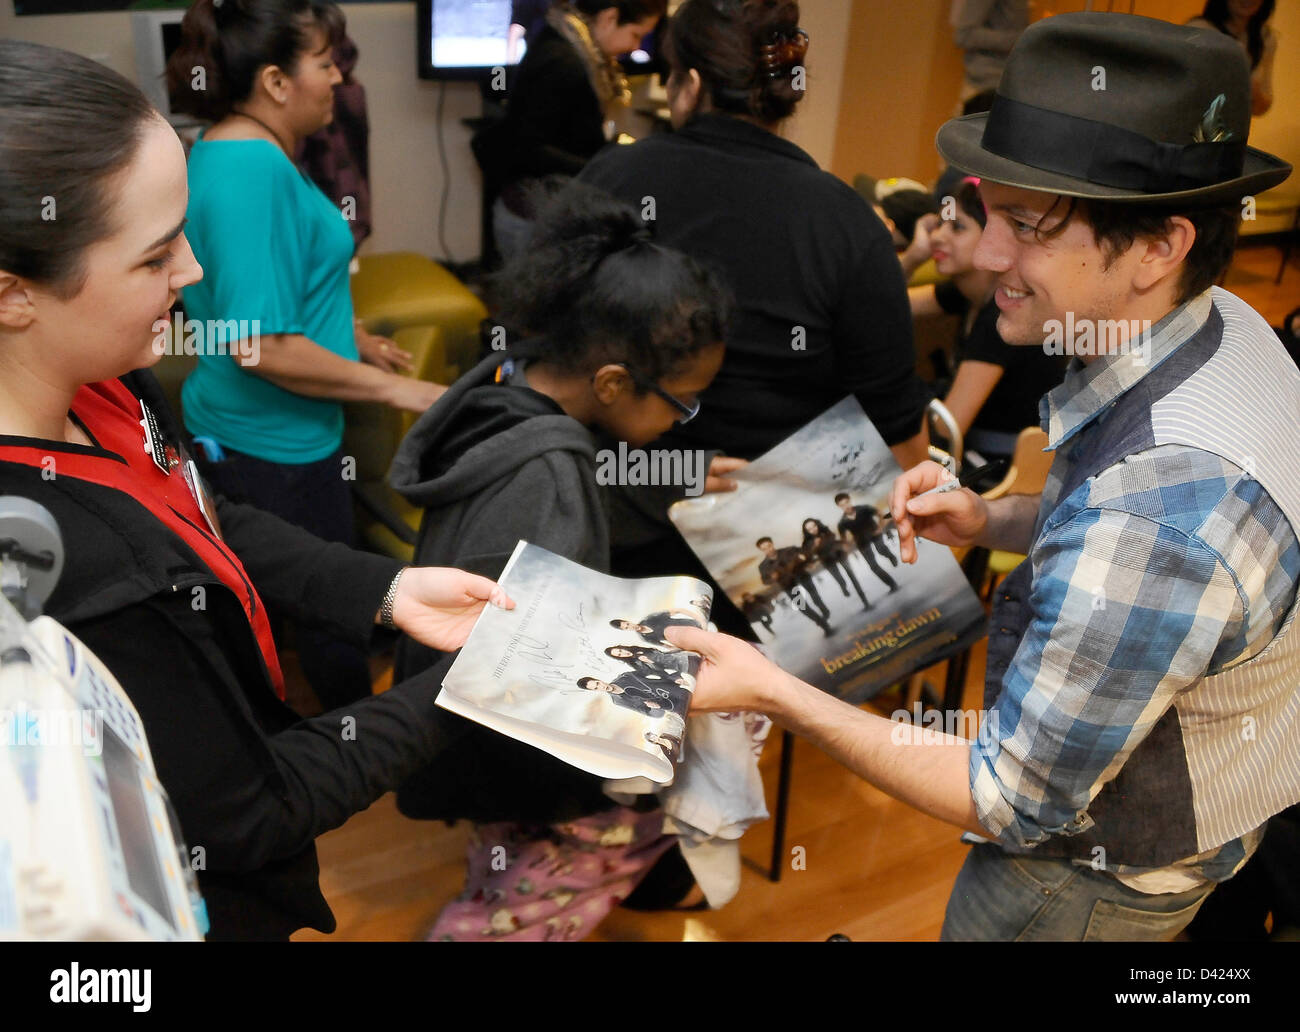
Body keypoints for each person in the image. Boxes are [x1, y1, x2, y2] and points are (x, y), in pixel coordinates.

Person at [663, 13, 1300, 942]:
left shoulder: (1162, 519)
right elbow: (1139, 537)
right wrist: (995, 518)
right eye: (987, 209)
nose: (990, 253)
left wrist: (770, 688)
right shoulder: (1228, 325)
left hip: (1081, 888)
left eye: (1030, 226)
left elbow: (1009, 795)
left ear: (1160, 246)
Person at [0, 39, 513, 941]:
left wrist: (386, 589)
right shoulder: (62, 570)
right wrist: (475, 685)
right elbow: (252, 812)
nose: (194, 274)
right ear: (13, 293)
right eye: (156, 257)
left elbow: (203, 514)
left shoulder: (108, 381)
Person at [386, 182, 730, 939]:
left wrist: (683, 475)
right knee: (551, 890)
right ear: (612, 382)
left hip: (474, 744)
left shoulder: (505, 394)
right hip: (519, 758)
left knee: (508, 862)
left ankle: (497, 886)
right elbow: (538, 677)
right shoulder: (548, 479)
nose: (681, 425)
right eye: (680, 405)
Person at [579, 0, 931, 637]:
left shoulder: (612, 178)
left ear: (687, 84)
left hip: (612, 523)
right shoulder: (846, 223)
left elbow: (547, 350)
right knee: (730, 726)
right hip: (771, 575)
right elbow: (897, 426)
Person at [165, 0, 443, 709]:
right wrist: (396, 393)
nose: (338, 78)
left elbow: (265, 292)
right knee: (331, 605)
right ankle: (361, 732)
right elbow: (257, 344)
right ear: (276, 82)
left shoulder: (240, 151)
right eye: (325, 63)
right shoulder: (248, 172)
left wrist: (348, 338)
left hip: (280, 430)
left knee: (326, 586)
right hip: (269, 442)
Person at [489, 0, 666, 258]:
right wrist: (608, 164)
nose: (635, 46)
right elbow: (530, 149)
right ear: (609, 18)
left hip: (538, 214)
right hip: (535, 223)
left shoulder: (565, 44)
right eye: (636, 35)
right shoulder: (563, 61)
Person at [909, 177, 1067, 461]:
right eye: (939, 224)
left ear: (990, 238)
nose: (937, 237)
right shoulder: (965, 292)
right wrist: (913, 257)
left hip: (1003, 471)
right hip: (975, 455)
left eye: (956, 227)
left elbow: (947, 428)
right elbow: (881, 303)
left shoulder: (1003, 314)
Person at [1188, 0, 1277, 117]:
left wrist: (1250, 85)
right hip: (1190, 121)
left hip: (1231, 127)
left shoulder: (1265, 38)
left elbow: (1262, 106)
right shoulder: (1199, 29)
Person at [756, 537, 832, 636]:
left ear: (772, 544)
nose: (768, 549)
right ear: (762, 550)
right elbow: (765, 581)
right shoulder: (763, 566)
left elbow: (806, 554)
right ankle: (823, 625)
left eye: (769, 546)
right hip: (788, 585)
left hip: (802, 576)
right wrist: (772, 578)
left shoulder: (789, 550)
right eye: (764, 548)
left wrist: (806, 560)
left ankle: (824, 610)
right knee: (802, 607)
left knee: (816, 597)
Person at [834, 492, 899, 594]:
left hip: (874, 534)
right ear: (839, 507)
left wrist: (881, 527)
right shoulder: (842, 522)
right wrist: (847, 548)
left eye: (846, 502)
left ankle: (890, 556)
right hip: (862, 542)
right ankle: (892, 584)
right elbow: (844, 539)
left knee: (881, 549)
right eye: (842, 505)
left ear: (850, 500)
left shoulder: (864, 508)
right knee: (873, 566)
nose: (845, 506)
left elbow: (880, 514)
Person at [801, 517, 870, 609]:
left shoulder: (825, 531)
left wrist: (844, 546)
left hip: (839, 554)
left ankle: (864, 600)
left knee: (852, 576)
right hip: (827, 561)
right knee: (840, 580)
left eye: (814, 526)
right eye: (809, 529)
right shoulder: (807, 543)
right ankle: (843, 586)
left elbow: (834, 539)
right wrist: (815, 546)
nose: (813, 530)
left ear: (817, 524)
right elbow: (809, 555)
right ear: (806, 532)